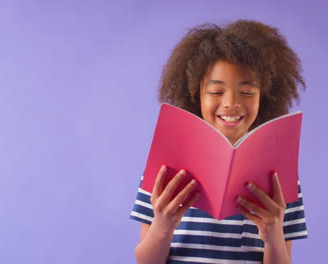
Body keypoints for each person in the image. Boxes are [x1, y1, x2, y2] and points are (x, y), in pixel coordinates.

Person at [130, 19, 307, 264]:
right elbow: (145, 261)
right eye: (215, 92)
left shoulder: (280, 178)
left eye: (247, 92)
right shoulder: (164, 169)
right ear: (194, 95)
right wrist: (163, 225)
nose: (231, 103)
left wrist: (273, 234)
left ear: (264, 98)